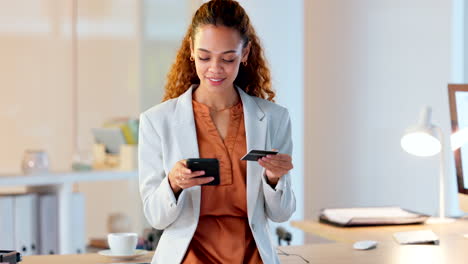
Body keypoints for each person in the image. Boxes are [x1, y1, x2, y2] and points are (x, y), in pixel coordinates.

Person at [138, 0, 296, 263]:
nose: (214, 68)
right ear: (190, 50)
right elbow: (155, 216)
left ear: (245, 53)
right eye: (204, 56)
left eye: (228, 58)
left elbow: (281, 214)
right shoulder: (157, 121)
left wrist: (275, 179)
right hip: (189, 257)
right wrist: (173, 184)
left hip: (252, 256)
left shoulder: (274, 119)